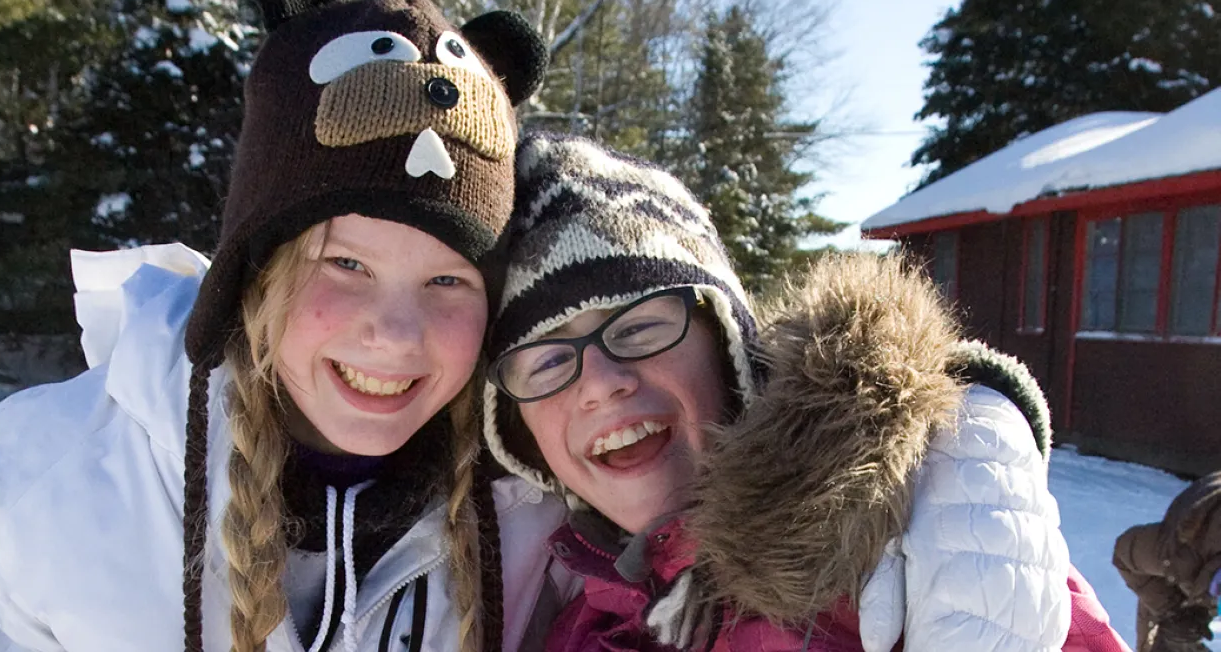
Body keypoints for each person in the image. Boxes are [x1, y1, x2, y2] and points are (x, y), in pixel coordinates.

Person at [0, 0, 561, 652]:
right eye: (346, 264)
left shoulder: (531, 512)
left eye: (448, 281)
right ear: (257, 274)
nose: (396, 334)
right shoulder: (58, 482)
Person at [478, 132, 1131, 651]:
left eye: (642, 327)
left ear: (728, 343)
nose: (601, 382)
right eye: (544, 364)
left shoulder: (905, 545)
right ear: (520, 436)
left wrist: (975, 420)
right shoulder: (575, 626)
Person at [1115, 471, 1221, 652]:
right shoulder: (1180, 553)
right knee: (1173, 631)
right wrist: (1172, 612)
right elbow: (1123, 554)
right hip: (1182, 554)